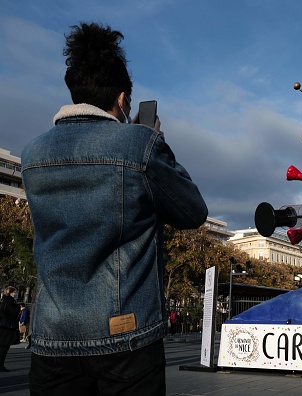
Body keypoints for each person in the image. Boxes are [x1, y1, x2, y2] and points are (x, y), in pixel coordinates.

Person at [21, 22, 208, 395]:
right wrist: (154, 143)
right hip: (126, 338)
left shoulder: (32, 154)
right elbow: (192, 211)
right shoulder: (138, 146)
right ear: (123, 100)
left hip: (53, 337)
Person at [0, 286, 20, 372]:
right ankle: (0, 365)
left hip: (2, 326)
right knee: (4, 348)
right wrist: (18, 306)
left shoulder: (3, 300)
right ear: (11, 292)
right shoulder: (10, 301)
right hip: (7, 328)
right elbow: (14, 312)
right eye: (15, 292)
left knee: (2, 347)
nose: (16, 294)